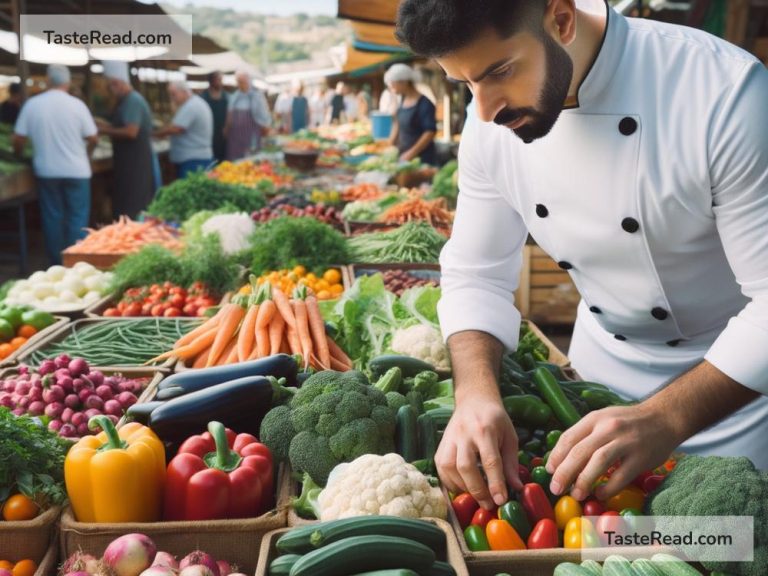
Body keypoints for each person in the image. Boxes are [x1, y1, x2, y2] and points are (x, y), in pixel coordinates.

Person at [396, 0, 768, 511]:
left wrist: (667, 417)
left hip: (736, 397)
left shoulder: (724, 92)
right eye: (465, 84)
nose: (484, 111)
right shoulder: (488, 124)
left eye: (500, 71)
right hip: (590, 394)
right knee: (597, 552)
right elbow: (476, 274)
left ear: (562, 19)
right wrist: (476, 396)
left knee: (722, 547)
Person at [12, 65, 98, 265]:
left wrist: (19, 154)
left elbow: (18, 139)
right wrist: (88, 155)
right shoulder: (77, 105)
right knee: (77, 217)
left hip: (47, 171)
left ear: (48, 81)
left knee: (52, 217)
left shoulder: (32, 105)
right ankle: (76, 262)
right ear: (68, 83)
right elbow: (93, 138)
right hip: (77, 170)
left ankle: (56, 263)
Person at [96, 61, 155, 219]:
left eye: (110, 87)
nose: (111, 92)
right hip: (128, 163)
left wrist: (102, 130)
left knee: (134, 206)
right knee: (128, 204)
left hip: (135, 164)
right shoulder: (125, 101)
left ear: (117, 83)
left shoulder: (133, 101)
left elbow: (131, 132)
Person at [155, 81, 213, 179]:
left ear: (184, 92)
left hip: (193, 160)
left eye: (174, 94)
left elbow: (176, 128)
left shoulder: (191, 106)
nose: (172, 98)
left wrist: (155, 134)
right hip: (194, 158)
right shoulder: (193, 103)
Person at [384, 64, 437, 165]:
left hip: (422, 159)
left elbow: (429, 132)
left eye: (393, 83)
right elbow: (397, 124)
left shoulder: (425, 104)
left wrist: (410, 154)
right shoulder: (402, 100)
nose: (390, 86)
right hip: (404, 155)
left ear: (404, 82)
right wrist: (389, 145)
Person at [224, 70, 271, 160]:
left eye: (243, 81)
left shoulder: (256, 96)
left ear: (248, 81)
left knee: (252, 159)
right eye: (239, 81)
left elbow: (264, 115)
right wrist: (226, 128)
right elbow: (229, 115)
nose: (241, 84)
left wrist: (266, 127)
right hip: (235, 137)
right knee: (235, 161)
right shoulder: (234, 97)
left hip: (252, 135)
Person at [201, 71, 228, 163]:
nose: (221, 82)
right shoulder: (203, 97)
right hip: (208, 135)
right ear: (211, 81)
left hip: (224, 135)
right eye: (219, 80)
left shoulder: (226, 96)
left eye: (221, 80)